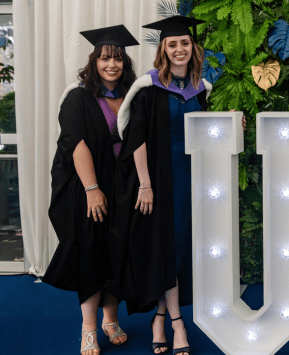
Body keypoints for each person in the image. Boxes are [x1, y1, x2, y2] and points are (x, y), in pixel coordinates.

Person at [108, 15, 212, 355]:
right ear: (163, 50)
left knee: (181, 249)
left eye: (184, 43)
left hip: (191, 180)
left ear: (192, 47)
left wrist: (231, 121)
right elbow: (135, 138)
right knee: (165, 247)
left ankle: (159, 316)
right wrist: (145, 184)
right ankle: (177, 323)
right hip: (160, 180)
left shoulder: (201, 88)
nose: (179, 49)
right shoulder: (148, 88)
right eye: (172, 44)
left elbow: (207, 132)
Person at [42, 24, 138, 355]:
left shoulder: (132, 97)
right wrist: (92, 189)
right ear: (94, 61)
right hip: (86, 186)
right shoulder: (78, 97)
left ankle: (111, 319)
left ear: (125, 64)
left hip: (123, 186)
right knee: (91, 255)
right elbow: (76, 144)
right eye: (105, 58)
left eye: (118, 59)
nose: (112, 65)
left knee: (118, 252)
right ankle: (88, 329)